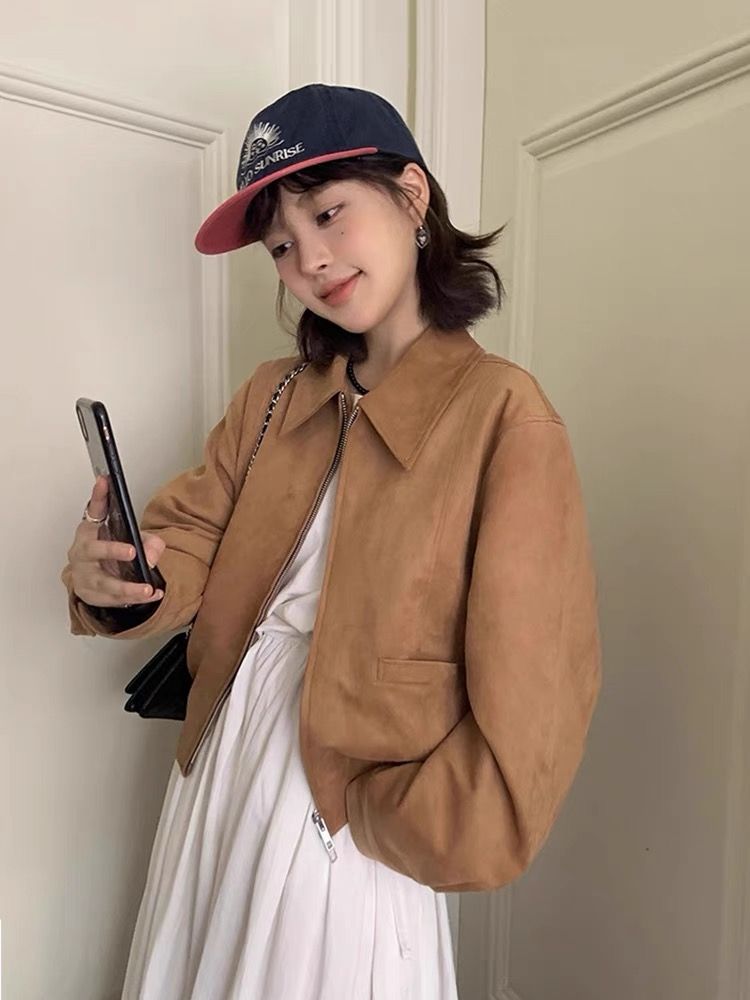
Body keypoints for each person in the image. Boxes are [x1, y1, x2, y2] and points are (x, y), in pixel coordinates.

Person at [61, 83, 603, 999]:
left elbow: (538, 692)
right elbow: (189, 537)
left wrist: (381, 816)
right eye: (280, 244)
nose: (308, 258)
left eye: (327, 213)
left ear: (412, 195)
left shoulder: (502, 414)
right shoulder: (273, 394)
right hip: (224, 770)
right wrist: (121, 578)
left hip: (349, 806)